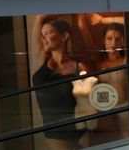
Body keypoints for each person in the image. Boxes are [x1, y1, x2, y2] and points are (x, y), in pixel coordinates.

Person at [32, 18, 91, 149]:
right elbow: (39, 19)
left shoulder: (79, 67)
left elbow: (89, 100)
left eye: (48, 33)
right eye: (42, 35)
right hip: (55, 133)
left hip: (80, 130)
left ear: (64, 36)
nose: (43, 38)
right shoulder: (41, 60)